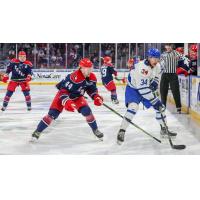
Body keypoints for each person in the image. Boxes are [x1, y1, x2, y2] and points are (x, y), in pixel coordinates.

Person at [31, 58, 104, 142]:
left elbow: (91, 90)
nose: (90, 70)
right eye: (88, 68)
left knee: (87, 111)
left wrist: (96, 97)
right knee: (52, 115)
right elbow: (63, 91)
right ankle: (37, 131)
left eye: (91, 68)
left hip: (77, 96)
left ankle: (95, 130)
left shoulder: (92, 77)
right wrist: (67, 101)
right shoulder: (74, 77)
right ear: (81, 68)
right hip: (63, 95)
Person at [117, 48, 177, 145]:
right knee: (133, 107)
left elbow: (157, 76)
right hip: (133, 89)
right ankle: (122, 131)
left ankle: (164, 129)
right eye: (153, 58)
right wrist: (155, 101)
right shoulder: (142, 68)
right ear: (149, 57)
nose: (156, 60)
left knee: (161, 108)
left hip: (145, 88)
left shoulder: (157, 66)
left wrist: (154, 83)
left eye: (157, 58)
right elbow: (143, 90)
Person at [160, 44, 188, 114]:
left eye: (170, 46)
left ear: (171, 46)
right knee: (163, 91)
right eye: (167, 46)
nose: (168, 47)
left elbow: (185, 59)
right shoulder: (163, 55)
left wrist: (184, 67)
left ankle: (178, 107)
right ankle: (163, 106)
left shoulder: (176, 53)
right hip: (164, 74)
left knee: (175, 91)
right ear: (165, 47)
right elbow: (160, 64)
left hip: (173, 74)